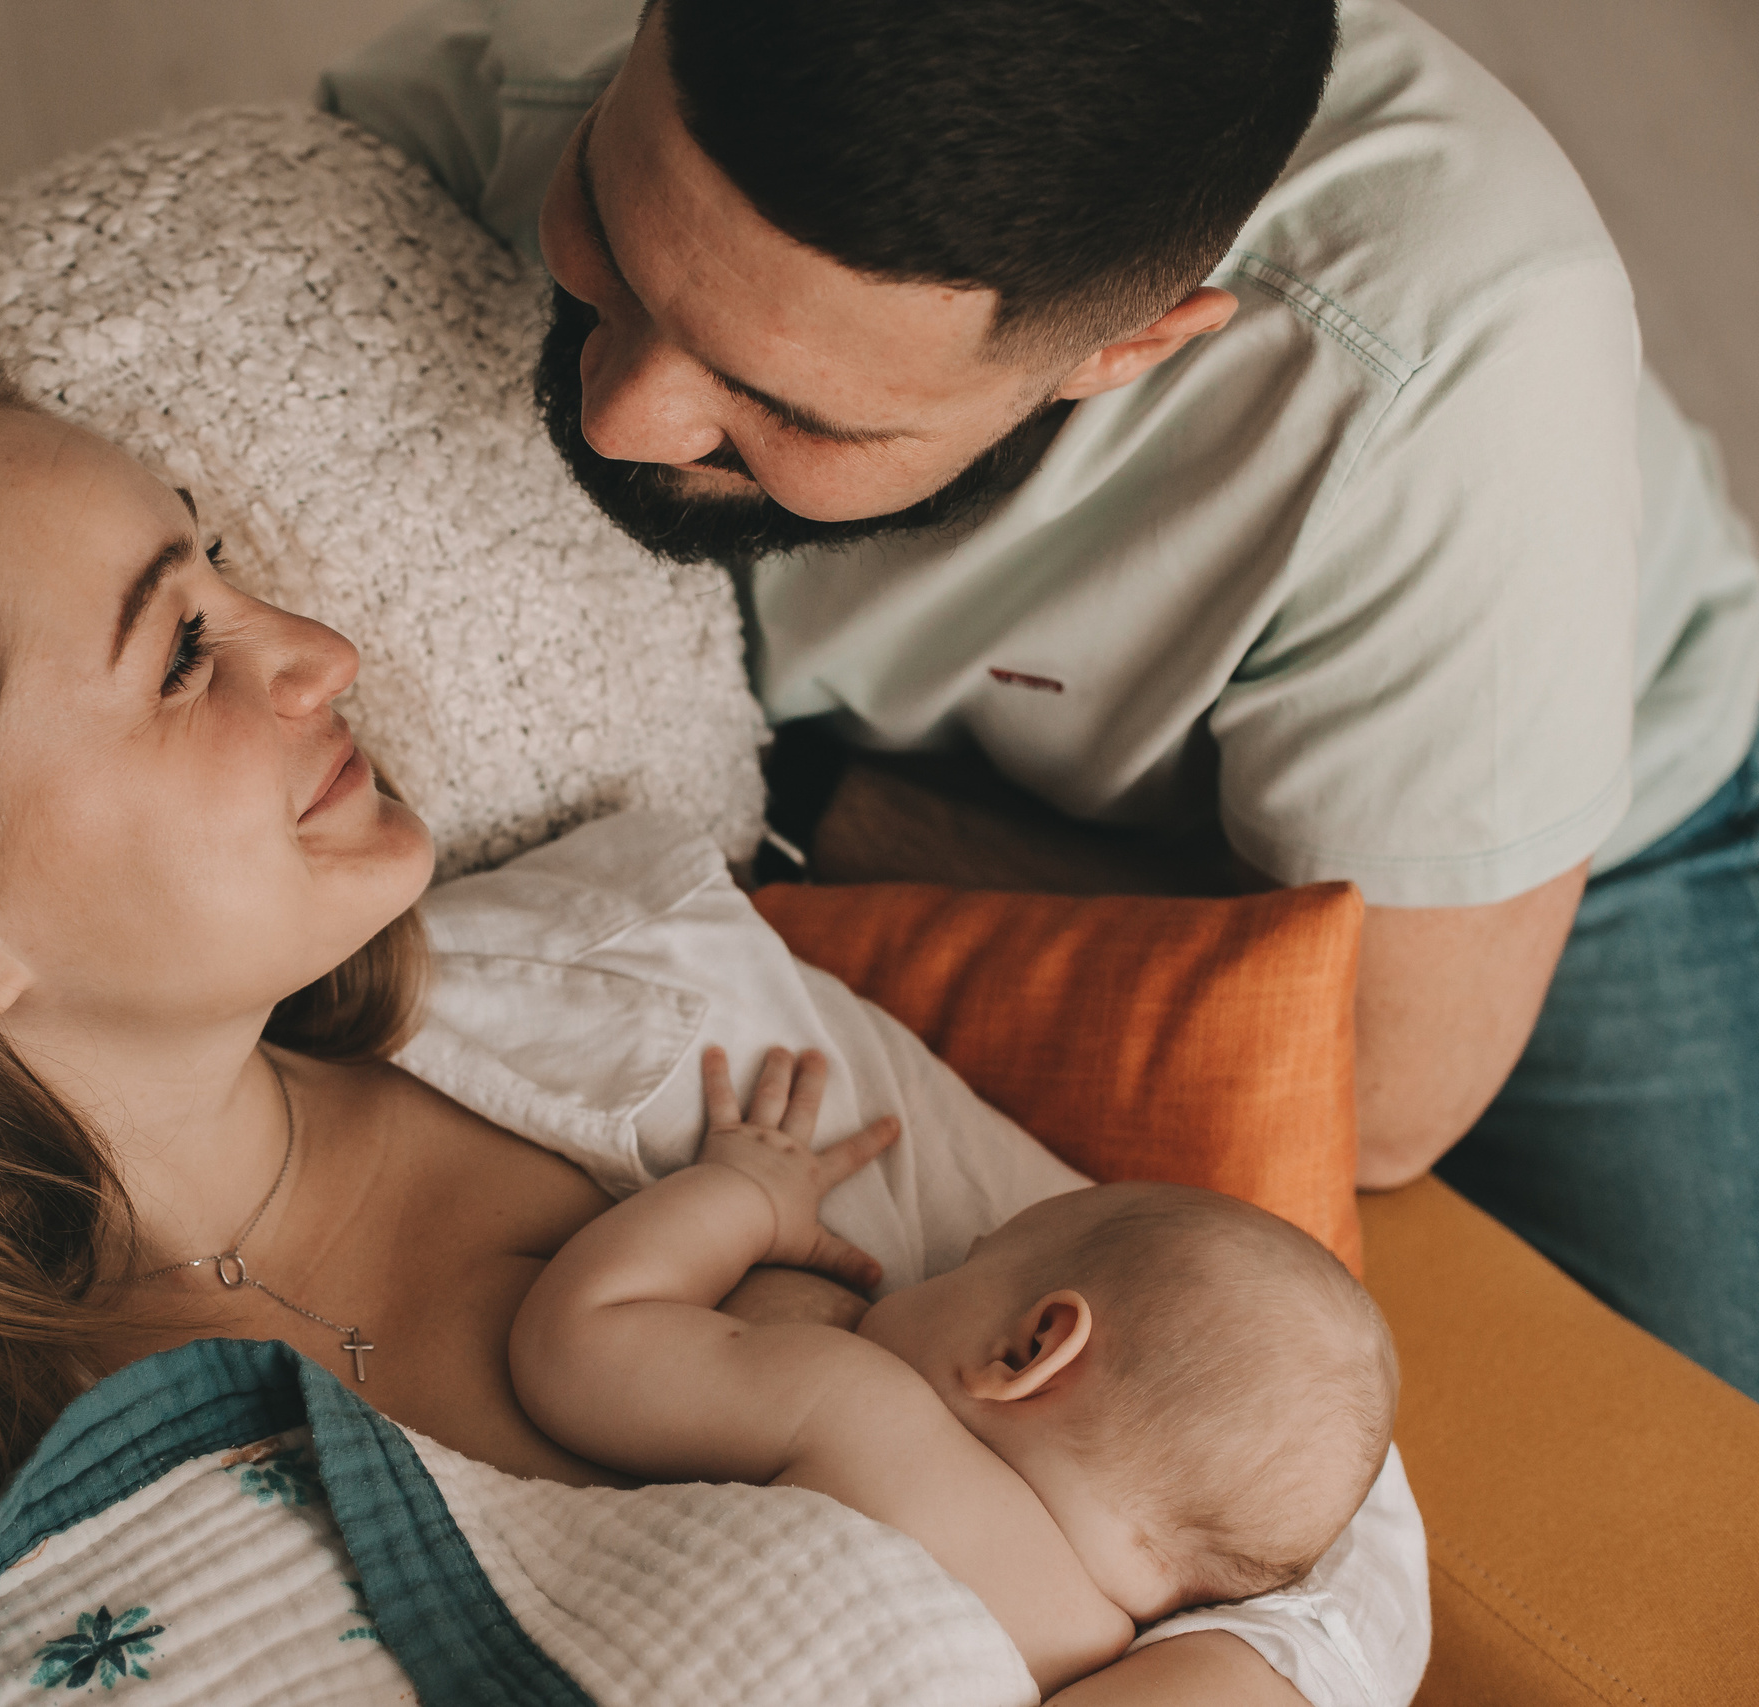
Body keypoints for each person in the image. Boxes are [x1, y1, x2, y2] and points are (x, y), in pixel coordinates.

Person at [0, 344, 1420, 1706]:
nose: (318, 649)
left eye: (215, 554)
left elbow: (1272, 1454)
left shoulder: (642, 996)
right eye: (179, 648)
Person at [321, 0, 1759, 1396]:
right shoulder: (483, 118)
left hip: (1565, 844)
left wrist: (788, 800)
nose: (618, 409)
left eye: (796, 411)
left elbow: (1381, 1083)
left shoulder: (1446, 363)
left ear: (1127, 352)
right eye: (613, 241)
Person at [514, 1047, 1400, 1698]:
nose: (926, 1269)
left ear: (1026, 1352)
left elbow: (573, 1345)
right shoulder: (1098, 1655)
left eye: (962, 1266)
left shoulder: (861, 1405)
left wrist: (746, 1196)